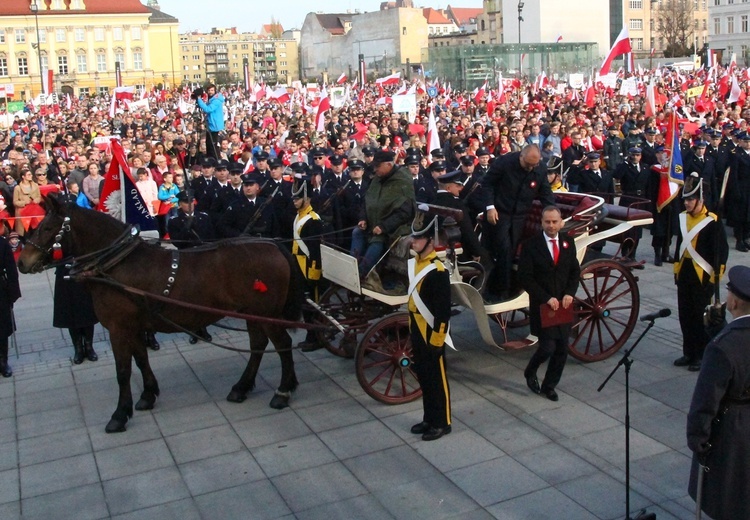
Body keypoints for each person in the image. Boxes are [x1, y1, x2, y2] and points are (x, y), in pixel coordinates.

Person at [686, 265, 750, 520]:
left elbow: (706, 399)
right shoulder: (726, 340)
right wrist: (720, 329)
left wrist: (697, 437)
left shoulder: (723, 347)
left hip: (732, 426)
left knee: (729, 494)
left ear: (733, 301)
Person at [519, 206, 581, 402]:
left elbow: (574, 272)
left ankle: (549, 386)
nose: (551, 225)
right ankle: (531, 371)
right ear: (542, 222)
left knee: (562, 349)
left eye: (555, 222)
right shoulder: (531, 245)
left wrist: (570, 293)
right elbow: (525, 277)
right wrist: (546, 297)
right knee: (547, 348)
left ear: (561, 222)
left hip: (562, 306)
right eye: (548, 222)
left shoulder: (568, 243)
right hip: (543, 305)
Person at [482, 144, 556, 301]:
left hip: (520, 216)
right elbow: (487, 184)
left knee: (510, 251)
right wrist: (490, 207)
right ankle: (501, 290)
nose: (530, 168)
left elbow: (545, 193)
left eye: (534, 165)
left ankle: (502, 287)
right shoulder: (504, 162)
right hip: (500, 212)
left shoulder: (539, 169)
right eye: (528, 164)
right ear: (521, 156)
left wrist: (554, 214)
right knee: (504, 249)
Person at [673, 173, 728, 371]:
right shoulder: (682, 219)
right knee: (685, 315)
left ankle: (701, 355)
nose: (686, 203)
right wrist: (676, 271)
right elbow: (680, 246)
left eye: (690, 200)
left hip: (703, 276)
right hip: (685, 273)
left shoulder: (712, 222)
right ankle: (688, 352)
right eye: (685, 200)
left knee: (700, 317)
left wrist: (716, 277)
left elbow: (721, 251)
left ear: (700, 200)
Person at [407, 206, 453, 441]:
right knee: (424, 376)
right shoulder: (416, 263)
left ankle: (442, 422)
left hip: (432, 332)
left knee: (437, 379)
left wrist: (437, 339)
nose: (412, 241)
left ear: (430, 241)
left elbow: (443, 312)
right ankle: (429, 418)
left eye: (418, 237)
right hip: (417, 328)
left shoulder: (437, 271)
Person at [350, 150, 415, 278]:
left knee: (377, 241)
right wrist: (363, 218)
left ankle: (362, 272)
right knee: (356, 232)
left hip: (395, 228)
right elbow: (367, 200)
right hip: (372, 222)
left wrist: (383, 227)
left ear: (389, 165)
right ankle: (353, 266)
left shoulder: (402, 181)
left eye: (378, 166)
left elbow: (405, 212)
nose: (375, 169)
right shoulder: (378, 179)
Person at [290, 175, 326, 352]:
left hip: (309, 269)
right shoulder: (299, 217)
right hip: (298, 266)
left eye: (297, 198)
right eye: (294, 198)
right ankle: (310, 335)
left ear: (307, 199)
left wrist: (313, 275)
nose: (295, 201)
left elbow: (315, 251)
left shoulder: (312, 220)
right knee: (305, 305)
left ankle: (316, 337)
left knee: (313, 305)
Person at [0, 234, 21, 377]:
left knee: (1, 327)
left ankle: (3, 361)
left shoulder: (2, 243)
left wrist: (13, 292)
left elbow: (11, 269)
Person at [195, 84, 225, 159]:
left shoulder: (216, 100)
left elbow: (208, 109)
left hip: (214, 125)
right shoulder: (212, 99)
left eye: (212, 90)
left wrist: (199, 100)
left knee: (212, 144)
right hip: (211, 124)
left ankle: (215, 159)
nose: (210, 92)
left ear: (215, 91)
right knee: (208, 143)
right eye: (209, 90)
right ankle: (210, 157)